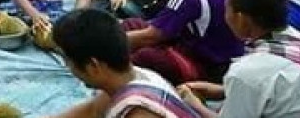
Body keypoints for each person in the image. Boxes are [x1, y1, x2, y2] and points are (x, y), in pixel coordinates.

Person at [177, 0, 300, 118]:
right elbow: (281, 90)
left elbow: (260, 80)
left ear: (241, 19)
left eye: (226, 9)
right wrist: (223, 90)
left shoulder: (247, 71)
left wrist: (193, 104)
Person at [50, 9, 202, 118]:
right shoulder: (127, 79)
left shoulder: (139, 112)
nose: (68, 68)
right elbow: (92, 110)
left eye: (67, 61)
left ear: (93, 66)